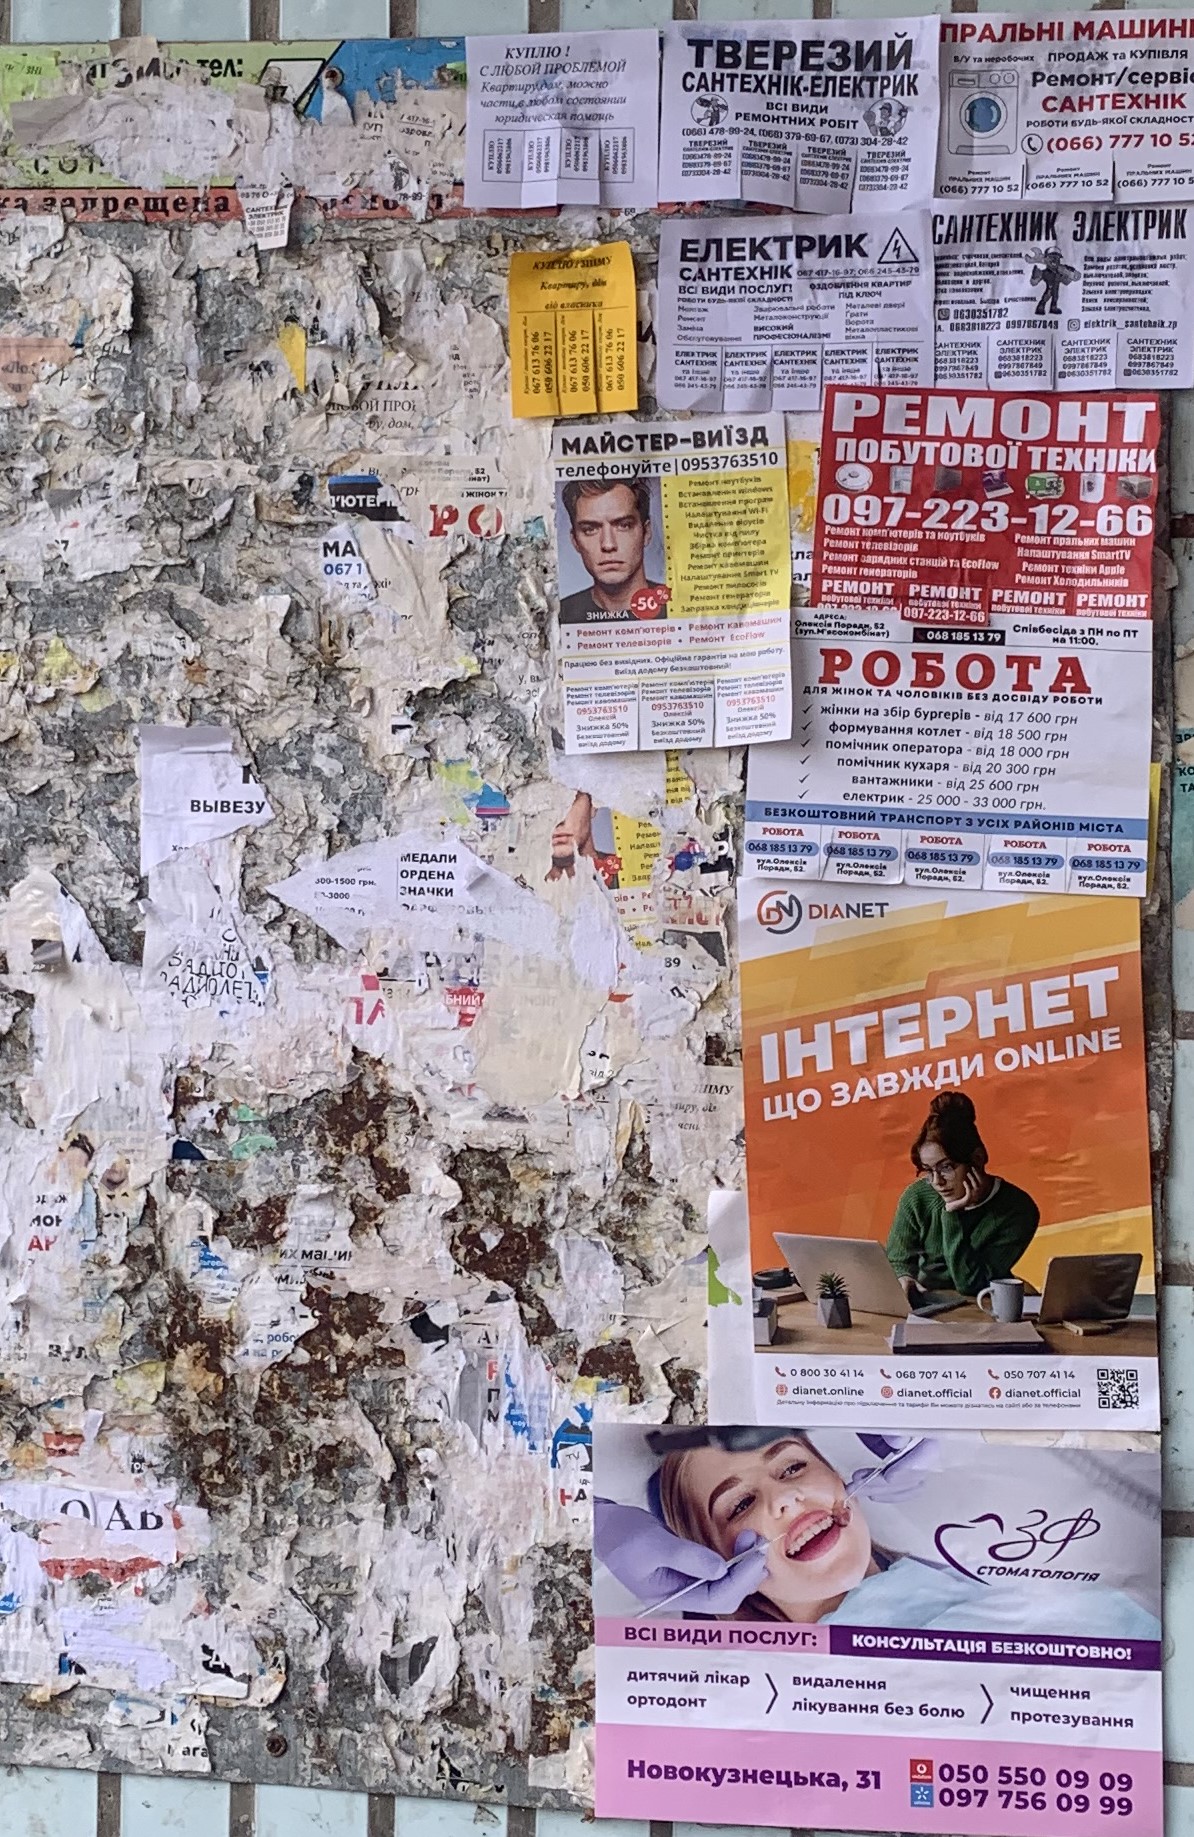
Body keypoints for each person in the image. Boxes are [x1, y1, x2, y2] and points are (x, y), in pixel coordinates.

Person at [638, 1430, 1158, 1637]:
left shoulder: (967, 1574)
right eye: (741, 1504)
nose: (787, 1497)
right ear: (707, 1570)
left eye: (793, 1467)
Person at [885, 1091, 1039, 1300]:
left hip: (983, 1304)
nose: (937, 1182)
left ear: (978, 1158)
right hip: (928, 1301)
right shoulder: (916, 1197)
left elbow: (971, 1283)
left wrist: (951, 1213)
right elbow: (896, 1260)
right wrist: (902, 1276)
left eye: (946, 1167)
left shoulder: (1018, 1209)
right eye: (928, 1171)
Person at [558, 478, 666, 624]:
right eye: (590, 529)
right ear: (575, 541)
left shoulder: (679, 607)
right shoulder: (561, 615)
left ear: (646, 532)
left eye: (624, 525)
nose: (608, 545)